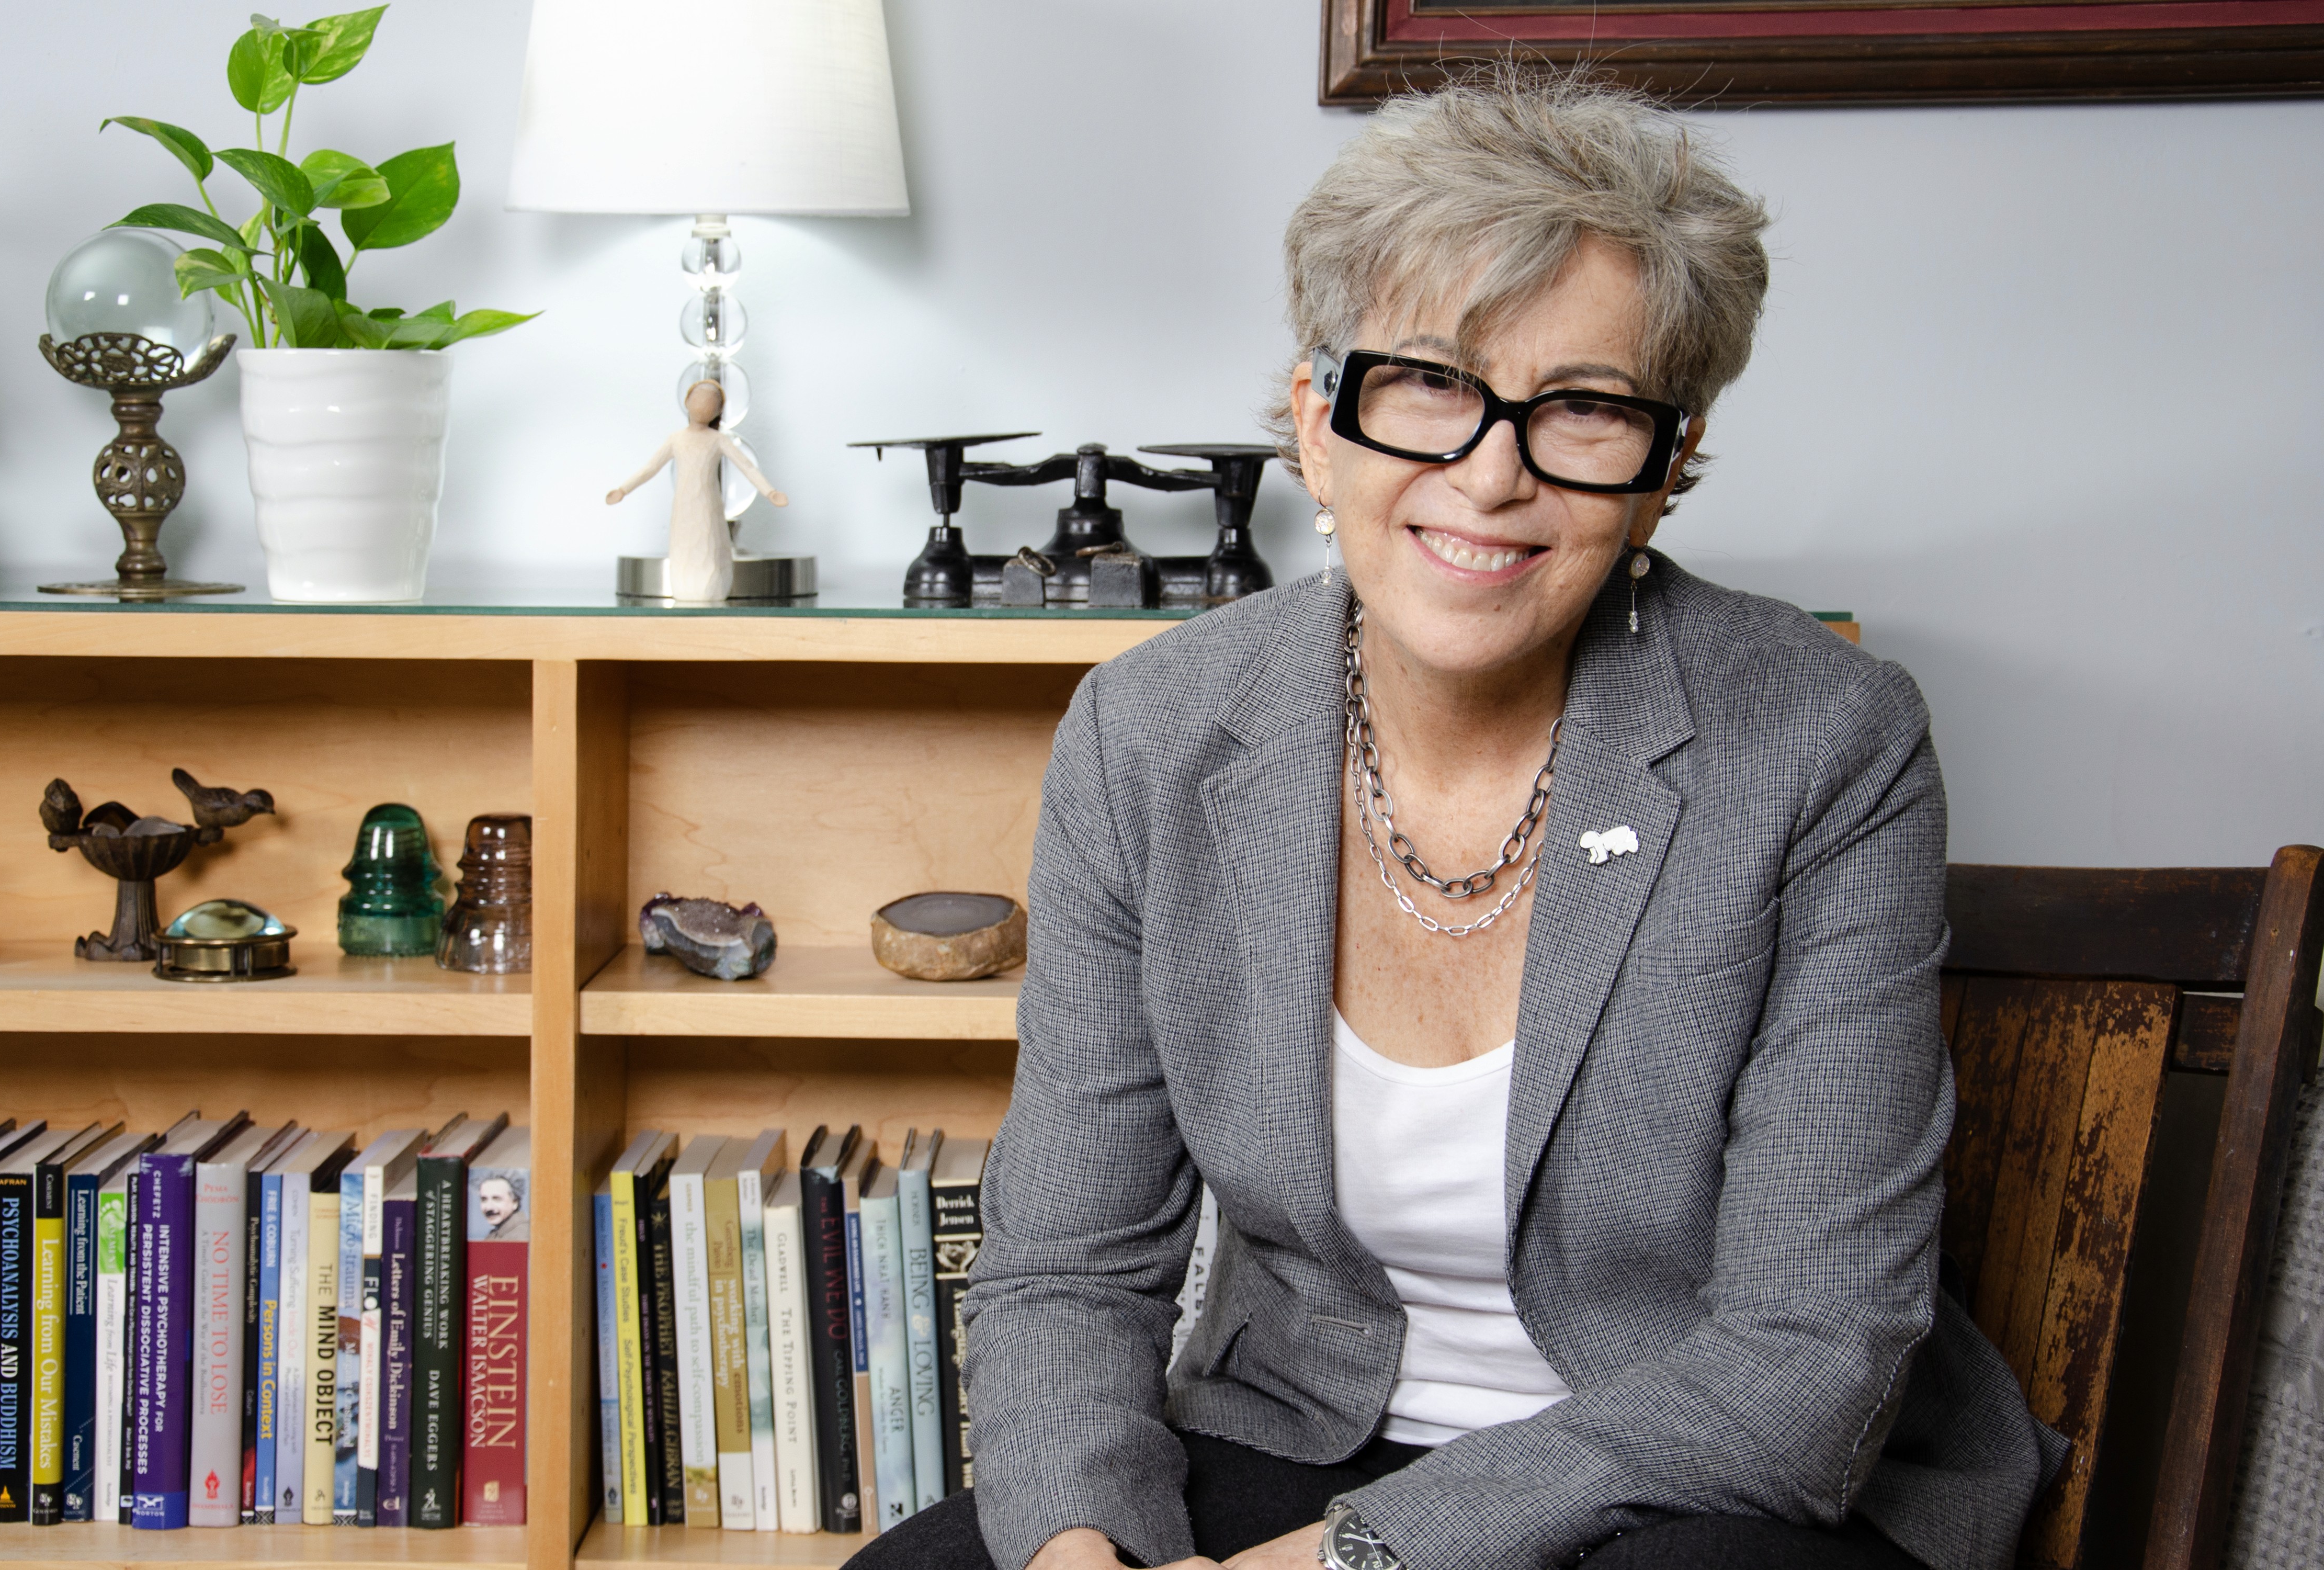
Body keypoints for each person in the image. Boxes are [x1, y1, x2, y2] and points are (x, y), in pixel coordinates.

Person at [846, 68, 2061, 1570]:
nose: (1488, 476)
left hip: (1693, 1482)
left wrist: (1348, 1560)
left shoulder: (1820, 739)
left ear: (1664, 468)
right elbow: (1065, 1268)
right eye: (1425, 383)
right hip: (1295, 1429)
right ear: (1315, 422)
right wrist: (1076, 1552)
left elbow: (1805, 1353)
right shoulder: (1147, 732)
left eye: (1584, 409)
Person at [606, 378, 787, 603]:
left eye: (711, 402)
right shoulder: (677, 439)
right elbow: (650, 468)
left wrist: (770, 492)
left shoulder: (718, 440)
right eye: (699, 398)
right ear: (687, 401)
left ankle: (713, 588)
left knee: (710, 550)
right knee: (684, 549)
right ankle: (685, 588)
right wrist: (623, 490)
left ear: (718, 411)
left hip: (709, 507)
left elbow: (747, 467)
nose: (703, 405)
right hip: (683, 509)